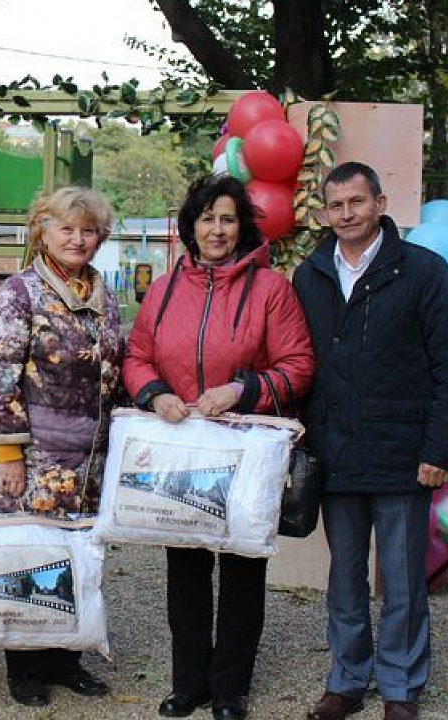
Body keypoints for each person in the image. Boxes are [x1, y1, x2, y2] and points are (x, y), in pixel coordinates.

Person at [123, 175, 315, 720]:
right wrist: (154, 393)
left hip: (244, 450)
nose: (216, 229)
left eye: (227, 219)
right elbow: (137, 355)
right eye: (207, 218)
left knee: (241, 570)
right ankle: (189, 683)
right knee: (184, 569)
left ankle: (230, 687)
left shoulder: (271, 289)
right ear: (191, 226)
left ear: (241, 227)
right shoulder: (164, 289)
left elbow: (299, 365)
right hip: (182, 448)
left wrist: (241, 390)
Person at [292, 162, 448, 720]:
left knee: (401, 582)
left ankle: (400, 687)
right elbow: (301, 362)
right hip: (337, 453)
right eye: (336, 205)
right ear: (325, 212)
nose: (347, 214)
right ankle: (346, 680)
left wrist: (438, 452)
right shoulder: (310, 275)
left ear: (380, 204)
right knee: (344, 579)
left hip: (403, 455)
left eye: (357, 202)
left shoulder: (423, 271)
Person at [0, 186, 123, 707]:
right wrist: (7, 456)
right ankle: (25, 667)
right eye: (67, 229)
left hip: (89, 462)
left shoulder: (104, 294)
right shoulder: (21, 291)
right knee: (29, 556)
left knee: (76, 557)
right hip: (34, 458)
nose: (77, 239)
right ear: (43, 230)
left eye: (88, 231)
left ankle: (66, 658)